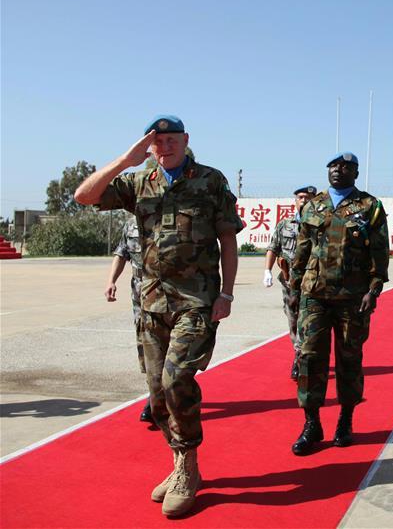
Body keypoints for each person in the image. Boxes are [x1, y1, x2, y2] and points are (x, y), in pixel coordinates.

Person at [74, 114, 243, 517]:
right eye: (157, 141)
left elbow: (227, 239)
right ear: (149, 146)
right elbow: (83, 197)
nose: (164, 147)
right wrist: (125, 160)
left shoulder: (210, 181)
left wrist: (226, 293)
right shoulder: (138, 182)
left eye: (171, 140)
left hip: (196, 300)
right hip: (151, 302)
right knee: (156, 393)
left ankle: (187, 465)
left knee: (175, 379)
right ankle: (180, 460)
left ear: (185, 140)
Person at [289, 152, 390, 455]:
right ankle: (312, 424)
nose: (338, 170)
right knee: (310, 359)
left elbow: (379, 252)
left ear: (356, 173)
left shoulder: (369, 206)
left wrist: (374, 289)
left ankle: (345, 420)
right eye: (333, 166)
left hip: (352, 297)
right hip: (314, 295)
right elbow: (302, 250)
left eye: (345, 167)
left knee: (349, 358)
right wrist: (294, 288)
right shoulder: (313, 205)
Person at [105, 214, 155, 426]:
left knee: (165, 344)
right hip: (139, 292)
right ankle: (154, 393)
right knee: (145, 344)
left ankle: (160, 396)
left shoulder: (165, 219)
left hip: (164, 292)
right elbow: (121, 253)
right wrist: (111, 281)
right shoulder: (131, 224)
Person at [264, 185, 317, 380]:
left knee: (309, 322)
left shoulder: (320, 224)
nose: (304, 201)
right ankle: (300, 352)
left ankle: (301, 358)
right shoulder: (284, 225)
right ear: (295, 201)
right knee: (293, 321)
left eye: (308, 197)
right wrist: (267, 270)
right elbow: (273, 247)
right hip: (289, 283)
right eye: (300, 197)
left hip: (312, 283)